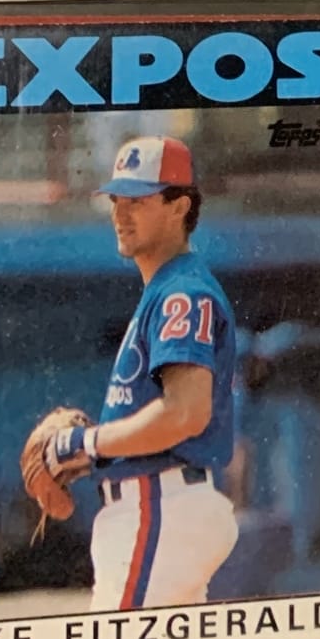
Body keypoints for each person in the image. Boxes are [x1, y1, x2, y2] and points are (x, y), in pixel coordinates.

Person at [33, 135, 240, 609]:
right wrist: (100, 451)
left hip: (158, 505)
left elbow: (184, 414)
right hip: (160, 505)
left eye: (138, 201)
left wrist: (85, 443)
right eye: (116, 201)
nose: (120, 215)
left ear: (179, 207)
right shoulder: (165, 290)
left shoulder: (182, 292)